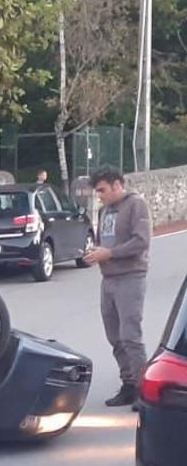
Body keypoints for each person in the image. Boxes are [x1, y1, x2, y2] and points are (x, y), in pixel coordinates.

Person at [83, 166, 152, 408]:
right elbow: (104, 242)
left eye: (102, 190)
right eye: (97, 191)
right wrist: (95, 254)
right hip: (108, 279)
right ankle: (129, 384)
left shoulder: (136, 205)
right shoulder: (104, 211)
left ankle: (145, 391)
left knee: (130, 336)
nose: (99, 195)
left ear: (117, 185)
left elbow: (141, 241)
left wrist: (110, 253)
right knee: (115, 337)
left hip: (130, 277)